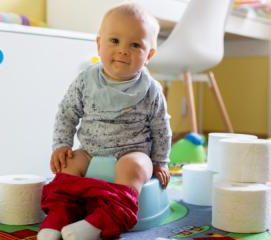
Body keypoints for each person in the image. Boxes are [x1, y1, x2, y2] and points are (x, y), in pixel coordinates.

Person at [38, 2, 172, 240]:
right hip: (89, 151)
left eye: (135, 45)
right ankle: (60, 214)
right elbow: (67, 113)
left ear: (149, 55)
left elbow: (161, 128)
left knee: (136, 166)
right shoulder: (85, 81)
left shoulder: (151, 90)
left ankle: (103, 220)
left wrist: (160, 161)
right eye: (114, 41)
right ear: (99, 44)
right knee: (68, 166)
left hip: (132, 152)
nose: (123, 50)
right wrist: (61, 145)